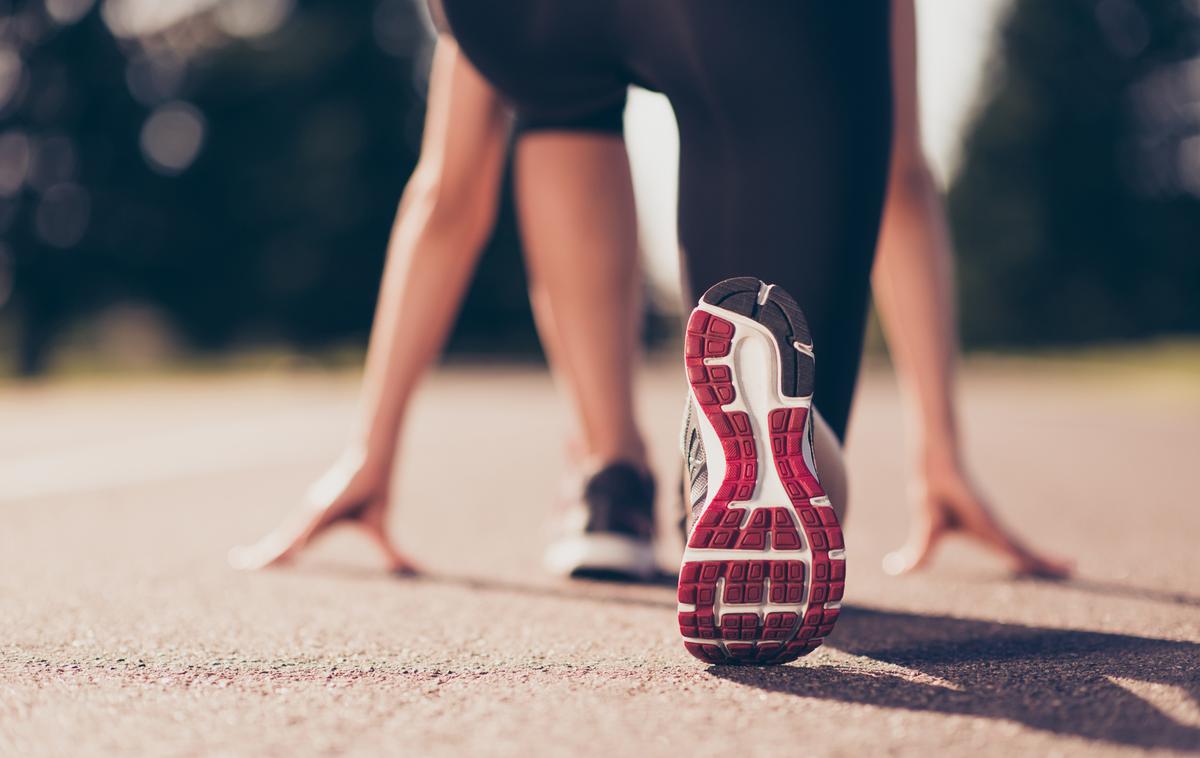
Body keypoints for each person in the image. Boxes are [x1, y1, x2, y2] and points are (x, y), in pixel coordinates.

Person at [234, 1, 1068, 607]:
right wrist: (941, 453)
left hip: (514, 20)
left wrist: (369, 454)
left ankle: (609, 477)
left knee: (554, 97)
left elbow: (447, 199)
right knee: (775, 350)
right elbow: (901, 180)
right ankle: (771, 451)